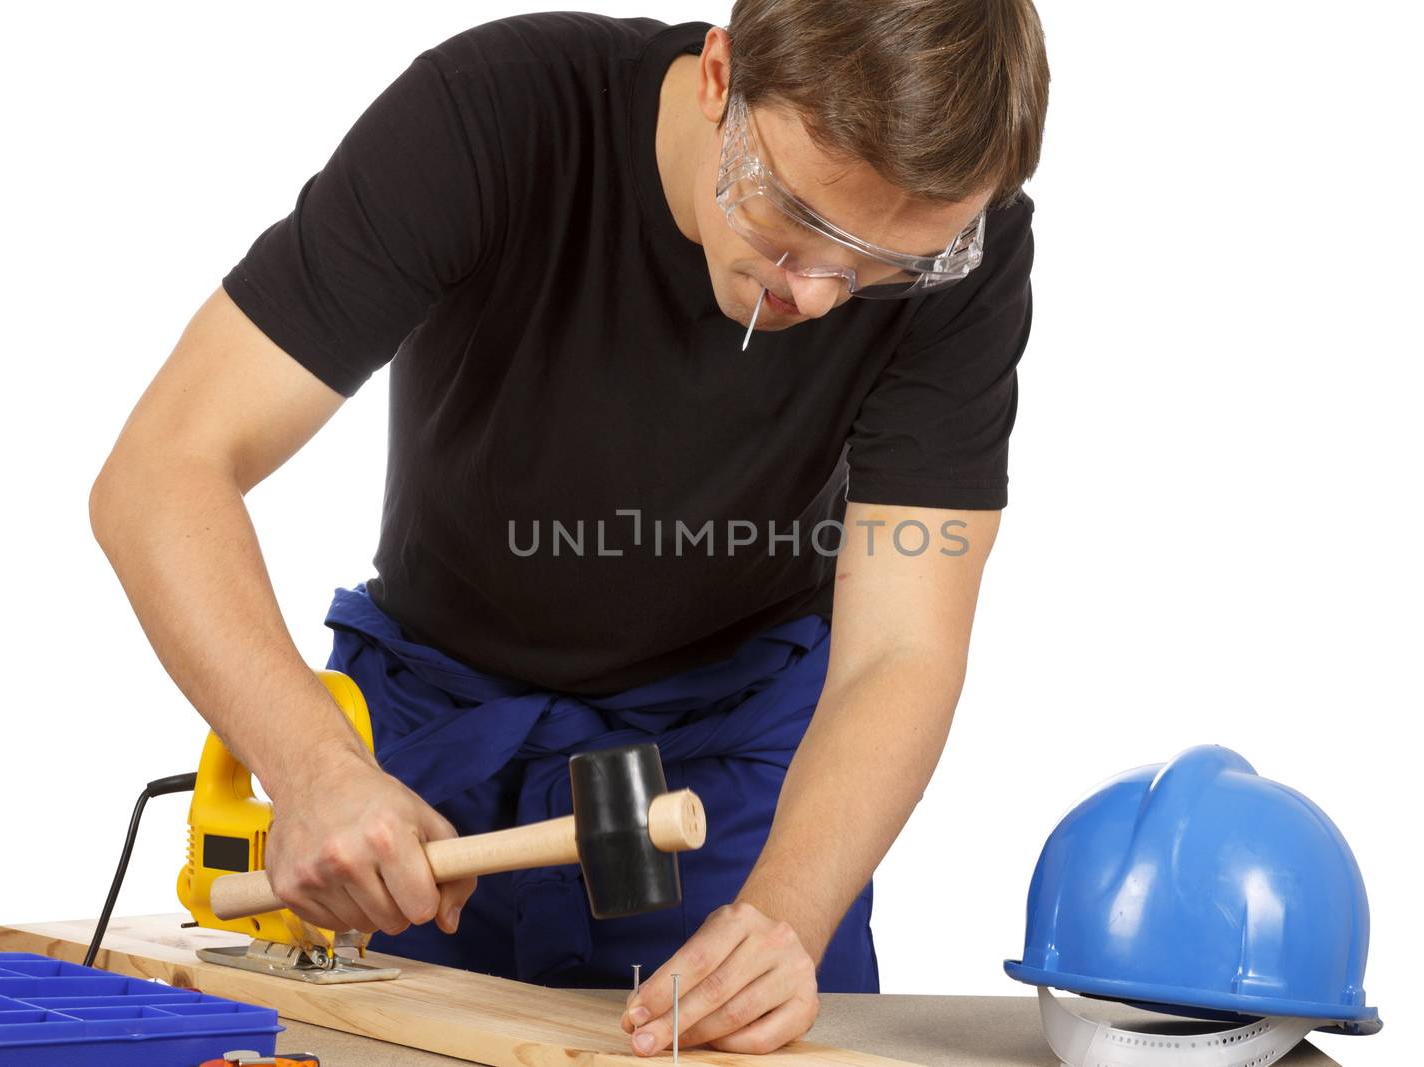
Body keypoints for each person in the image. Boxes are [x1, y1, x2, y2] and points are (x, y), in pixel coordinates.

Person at [90, 0, 1048, 1055]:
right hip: (428, 742)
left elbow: (903, 646)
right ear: (719, 79)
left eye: (882, 267)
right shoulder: (491, 115)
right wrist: (315, 767)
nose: (821, 295)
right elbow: (164, 470)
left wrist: (786, 915)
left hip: (732, 755)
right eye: (797, 222)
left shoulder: (969, 239)